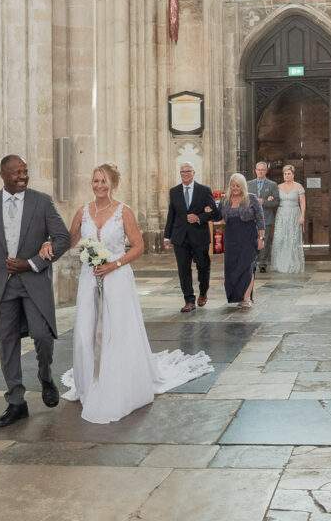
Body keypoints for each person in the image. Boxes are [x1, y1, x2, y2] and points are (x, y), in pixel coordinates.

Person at [53, 163, 214, 424]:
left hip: (116, 279)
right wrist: (47, 245)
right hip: (89, 279)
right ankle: (89, 383)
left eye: (104, 181)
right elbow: (69, 241)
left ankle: (116, 384)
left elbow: (138, 247)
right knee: (84, 332)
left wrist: (113, 264)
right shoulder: (83, 211)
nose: (99, 186)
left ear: (113, 184)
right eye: (95, 181)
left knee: (116, 332)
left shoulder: (123, 211)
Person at [0, 154, 71, 428]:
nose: (23, 176)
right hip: (2, 286)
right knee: (7, 342)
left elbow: (63, 239)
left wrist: (32, 263)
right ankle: (16, 402)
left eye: (25, 171)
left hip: (34, 282)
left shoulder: (42, 201)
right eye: (16, 172)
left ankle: (45, 376)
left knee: (42, 334)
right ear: (2, 174)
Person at [163, 161, 222, 311]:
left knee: (203, 267)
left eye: (188, 171)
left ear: (194, 173)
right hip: (180, 236)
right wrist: (167, 236)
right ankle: (189, 300)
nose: (185, 174)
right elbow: (171, 214)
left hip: (199, 236)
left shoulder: (204, 190)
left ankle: (203, 292)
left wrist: (199, 217)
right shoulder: (174, 191)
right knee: (183, 269)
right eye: (182, 172)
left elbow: (215, 214)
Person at [219, 173, 265, 308]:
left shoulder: (252, 198)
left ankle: (246, 298)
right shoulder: (224, 199)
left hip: (248, 237)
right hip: (231, 238)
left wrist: (261, 238)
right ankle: (237, 296)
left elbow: (260, 219)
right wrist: (207, 210)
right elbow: (217, 215)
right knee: (233, 268)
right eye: (233, 185)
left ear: (243, 186)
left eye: (238, 185)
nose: (235, 188)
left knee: (247, 266)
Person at [271, 163, 306, 273]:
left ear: (293, 175)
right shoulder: (278, 187)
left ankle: (293, 264)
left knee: (292, 239)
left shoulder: (299, 187)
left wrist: (302, 216)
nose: (286, 176)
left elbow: (302, 202)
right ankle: (280, 264)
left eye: (289, 174)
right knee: (281, 238)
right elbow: (275, 199)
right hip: (281, 214)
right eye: (285, 174)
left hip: (294, 214)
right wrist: (271, 198)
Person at [247, 161, 279, 272]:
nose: (260, 172)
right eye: (259, 170)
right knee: (252, 240)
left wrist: (264, 201)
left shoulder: (272, 185)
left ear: (266, 171)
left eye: (263, 170)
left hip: (266, 218)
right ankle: (252, 262)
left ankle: (263, 264)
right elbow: (244, 200)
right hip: (251, 218)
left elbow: (276, 201)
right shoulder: (248, 184)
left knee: (265, 241)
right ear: (255, 171)